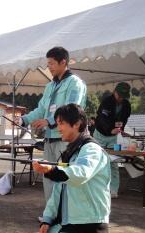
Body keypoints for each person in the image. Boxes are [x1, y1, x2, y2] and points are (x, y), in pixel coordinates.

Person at [29, 104, 111, 233]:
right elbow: (58, 191)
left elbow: (80, 174)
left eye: (61, 123)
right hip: (67, 221)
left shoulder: (92, 149)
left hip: (87, 222)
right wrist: (47, 220)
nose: (58, 128)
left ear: (77, 124)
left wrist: (52, 170)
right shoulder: (70, 152)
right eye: (57, 123)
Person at [16, 46, 87, 201]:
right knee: (48, 177)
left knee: (64, 177)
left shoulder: (75, 83)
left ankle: (64, 215)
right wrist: (24, 119)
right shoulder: (50, 86)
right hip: (49, 139)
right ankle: (50, 214)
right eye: (47, 64)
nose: (49, 68)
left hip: (65, 141)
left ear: (63, 62)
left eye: (51, 64)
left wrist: (48, 121)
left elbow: (71, 109)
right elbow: (41, 108)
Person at [93, 82, 131, 199]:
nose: (121, 98)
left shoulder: (127, 105)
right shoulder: (106, 102)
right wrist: (110, 130)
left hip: (114, 137)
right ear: (115, 92)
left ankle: (113, 190)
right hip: (100, 134)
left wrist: (121, 130)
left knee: (113, 163)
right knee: (97, 162)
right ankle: (96, 188)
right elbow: (101, 119)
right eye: (119, 95)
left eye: (123, 96)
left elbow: (124, 119)